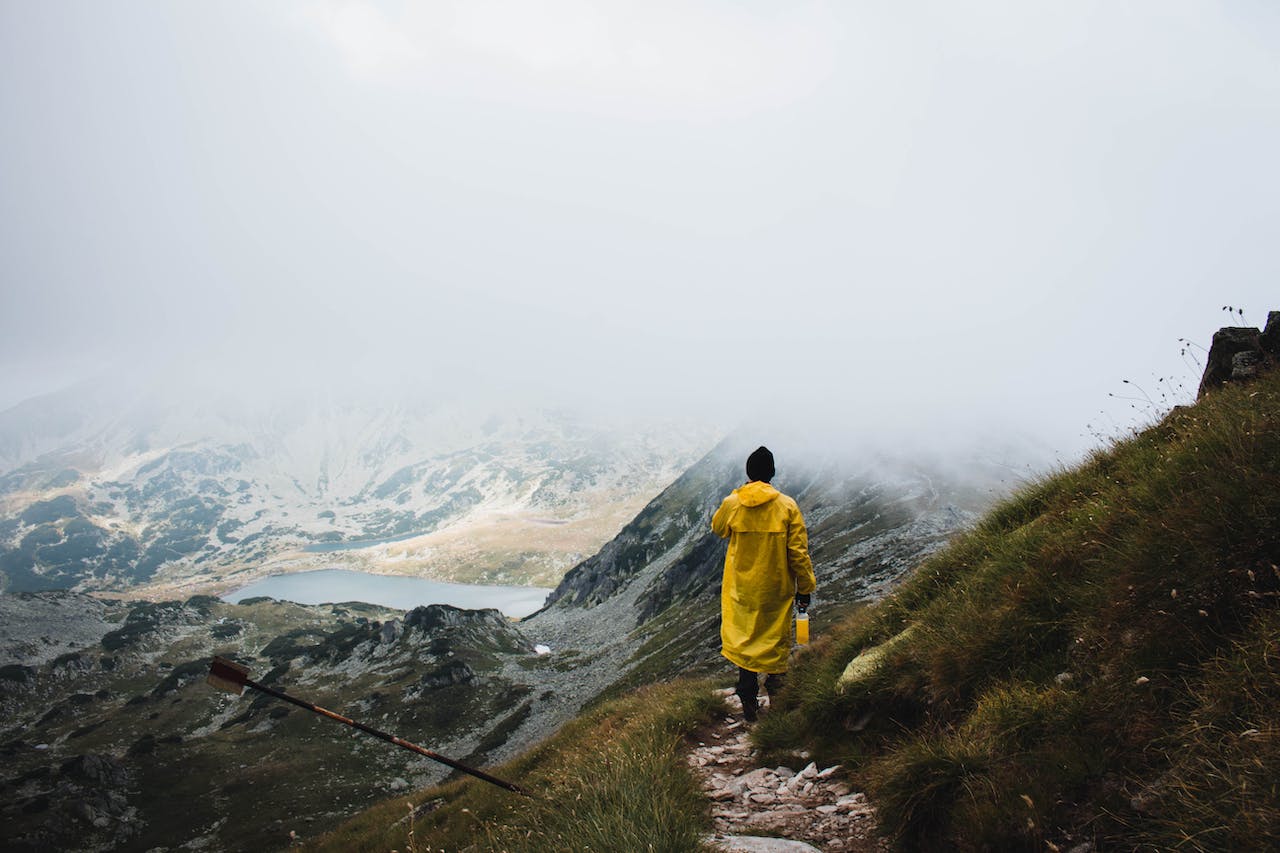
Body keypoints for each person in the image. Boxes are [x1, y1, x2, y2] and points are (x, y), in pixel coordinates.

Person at [712, 446, 815, 722]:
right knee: (773, 641)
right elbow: (798, 553)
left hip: (741, 588)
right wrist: (805, 587)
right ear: (772, 473)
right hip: (775, 588)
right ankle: (777, 699)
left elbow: (718, 527)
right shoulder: (787, 506)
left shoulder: (733, 503)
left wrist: (736, 495)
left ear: (748, 473)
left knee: (745, 640)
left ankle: (747, 695)